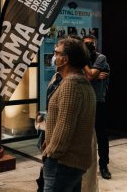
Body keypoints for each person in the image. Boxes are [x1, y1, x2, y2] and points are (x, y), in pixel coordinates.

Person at [42, 37, 96, 192]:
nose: (54, 57)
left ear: (65, 59)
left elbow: (65, 128)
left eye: (56, 53)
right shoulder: (82, 84)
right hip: (71, 163)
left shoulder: (71, 85)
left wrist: (50, 153)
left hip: (63, 163)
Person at [83, 34, 111, 179]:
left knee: (101, 134)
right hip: (84, 100)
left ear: (95, 44)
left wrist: (91, 74)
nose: (89, 46)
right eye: (86, 44)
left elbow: (89, 76)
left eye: (91, 44)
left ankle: (104, 165)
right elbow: (88, 76)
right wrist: (91, 74)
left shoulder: (101, 58)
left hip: (98, 100)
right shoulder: (82, 59)